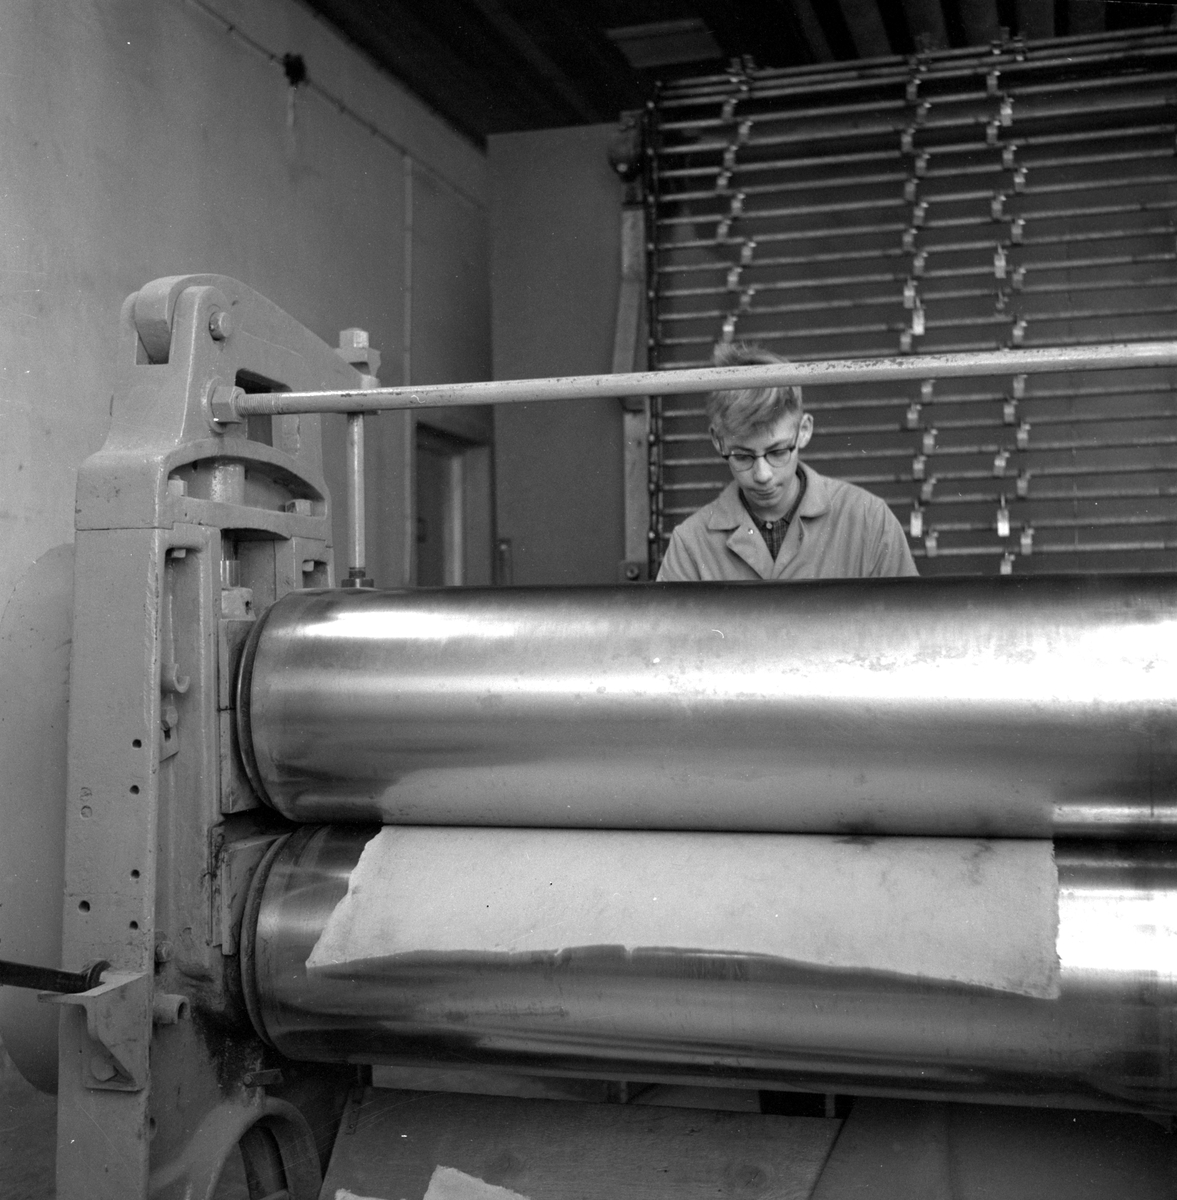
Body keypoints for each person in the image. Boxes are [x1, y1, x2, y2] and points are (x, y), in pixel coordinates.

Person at [657, 342, 918, 581]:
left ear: (804, 430)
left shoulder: (870, 521)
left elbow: (908, 617)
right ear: (718, 440)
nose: (762, 475)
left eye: (778, 452)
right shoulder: (689, 546)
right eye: (742, 456)